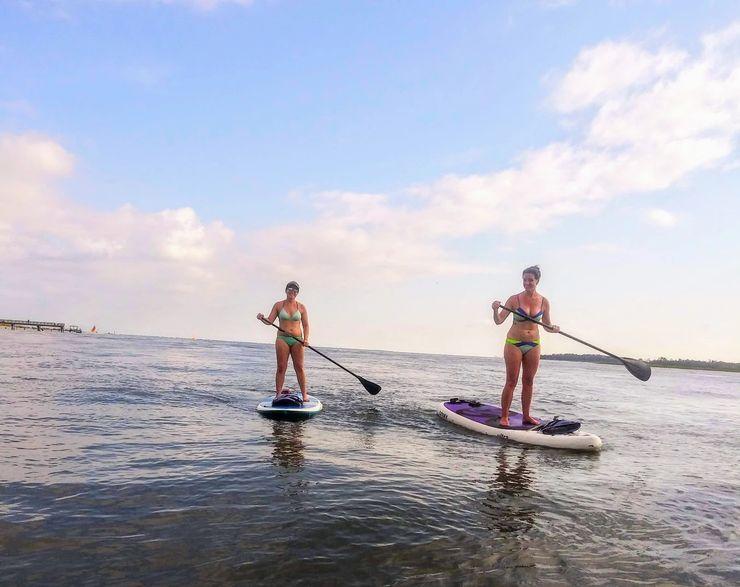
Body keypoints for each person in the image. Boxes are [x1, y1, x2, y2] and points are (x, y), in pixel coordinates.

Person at [491, 266, 559, 427]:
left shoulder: (544, 301)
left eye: (530, 280)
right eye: (524, 279)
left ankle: (526, 416)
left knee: (528, 381)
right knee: (511, 381)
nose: (527, 283)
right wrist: (494, 310)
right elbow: (498, 321)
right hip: (514, 343)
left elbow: (547, 326)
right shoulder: (514, 299)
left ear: (537, 281)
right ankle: (505, 416)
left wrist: (554, 329)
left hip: (534, 344)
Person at [257, 281, 310, 402]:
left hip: (298, 340)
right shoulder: (278, 305)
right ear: (286, 290)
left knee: (299, 367)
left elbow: (306, 325)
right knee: (281, 367)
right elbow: (269, 321)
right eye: (290, 289)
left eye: (295, 290)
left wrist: (306, 339)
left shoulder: (301, 307)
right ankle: (278, 394)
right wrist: (262, 318)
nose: (293, 292)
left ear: (297, 293)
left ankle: (304, 395)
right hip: (282, 339)